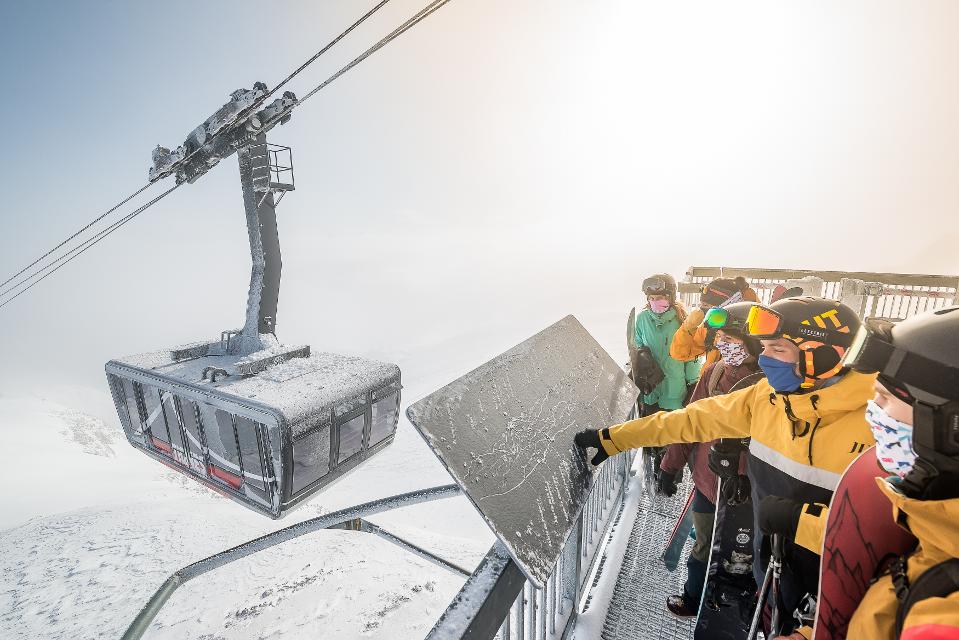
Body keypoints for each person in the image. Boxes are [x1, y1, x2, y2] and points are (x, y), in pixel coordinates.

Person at [575, 296, 873, 639]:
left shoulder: (881, 426)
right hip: (774, 574)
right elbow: (690, 420)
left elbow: (898, 540)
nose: (764, 359)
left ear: (822, 356)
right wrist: (612, 439)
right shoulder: (766, 398)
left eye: (777, 349)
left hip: (840, 597)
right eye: (764, 348)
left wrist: (804, 525)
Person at [838, 307, 959, 639]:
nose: (872, 412)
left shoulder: (946, 616)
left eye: (884, 398)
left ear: (951, 427)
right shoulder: (934, 518)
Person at [658, 302, 763, 618]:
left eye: (733, 341)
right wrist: (670, 466)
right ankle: (693, 597)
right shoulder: (713, 374)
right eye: (722, 339)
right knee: (703, 543)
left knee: (747, 550)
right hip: (708, 482)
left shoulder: (775, 385)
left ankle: (747, 602)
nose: (724, 346)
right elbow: (689, 423)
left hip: (752, 490)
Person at [634, 273, 702, 414]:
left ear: (670, 297)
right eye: (651, 298)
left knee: (672, 433)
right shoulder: (642, 319)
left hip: (675, 394)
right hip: (651, 392)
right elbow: (637, 344)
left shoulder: (683, 320)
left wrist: (693, 385)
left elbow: (692, 355)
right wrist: (641, 355)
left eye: (659, 298)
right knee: (650, 434)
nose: (654, 302)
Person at [670, 277, 760, 366]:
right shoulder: (710, 329)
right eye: (701, 305)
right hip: (712, 378)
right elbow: (681, 354)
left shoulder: (755, 331)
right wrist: (687, 329)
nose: (703, 310)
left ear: (729, 307)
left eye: (707, 306)